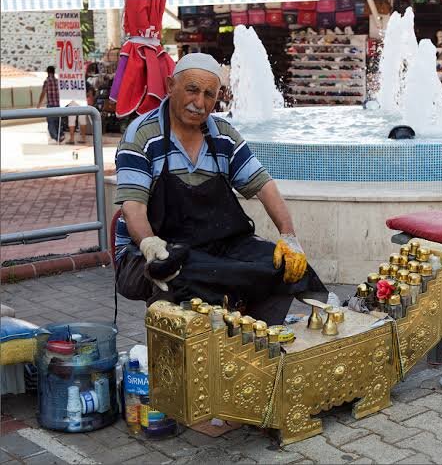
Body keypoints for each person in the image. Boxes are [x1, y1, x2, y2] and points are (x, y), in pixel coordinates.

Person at [114, 53, 337, 326]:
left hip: (214, 246)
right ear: (171, 86)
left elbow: (263, 185)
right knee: (180, 273)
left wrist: (288, 236)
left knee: (280, 266)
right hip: (146, 253)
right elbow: (133, 207)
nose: (199, 103)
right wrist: (149, 243)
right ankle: (193, 351)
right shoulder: (142, 136)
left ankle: (257, 338)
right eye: (192, 90)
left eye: (209, 94)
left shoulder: (223, 135)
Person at [37, 66, 64, 143]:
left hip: (51, 104)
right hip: (58, 104)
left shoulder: (47, 81)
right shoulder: (57, 81)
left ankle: (56, 137)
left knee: (51, 122)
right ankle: (60, 135)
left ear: (47, 72)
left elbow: (43, 93)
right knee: (58, 121)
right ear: (54, 72)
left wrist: (39, 104)